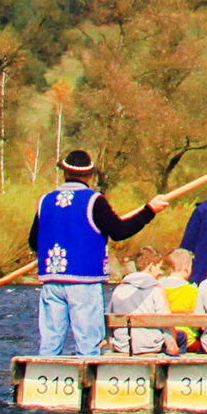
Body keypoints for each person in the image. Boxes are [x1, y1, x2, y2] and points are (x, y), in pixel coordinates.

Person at [29, 148, 170, 358]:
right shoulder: (94, 200)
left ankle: (44, 383)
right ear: (89, 175)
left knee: (50, 343)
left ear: (65, 173)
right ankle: (88, 385)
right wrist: (149, 211)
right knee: (88, 344)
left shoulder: (45, 201)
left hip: (52, 280)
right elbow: (120, 231)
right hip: (84, 280)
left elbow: (34, 242)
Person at [106, 248, 175, 355]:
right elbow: (165, 321)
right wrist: (172, 347)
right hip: (150, 345)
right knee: (181, 338)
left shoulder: (120, 288)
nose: (159, 273)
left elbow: (109, 318)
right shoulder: (155, 289)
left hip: (123, 346)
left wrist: (111, 343)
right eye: (159, 268)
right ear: (151, 266)